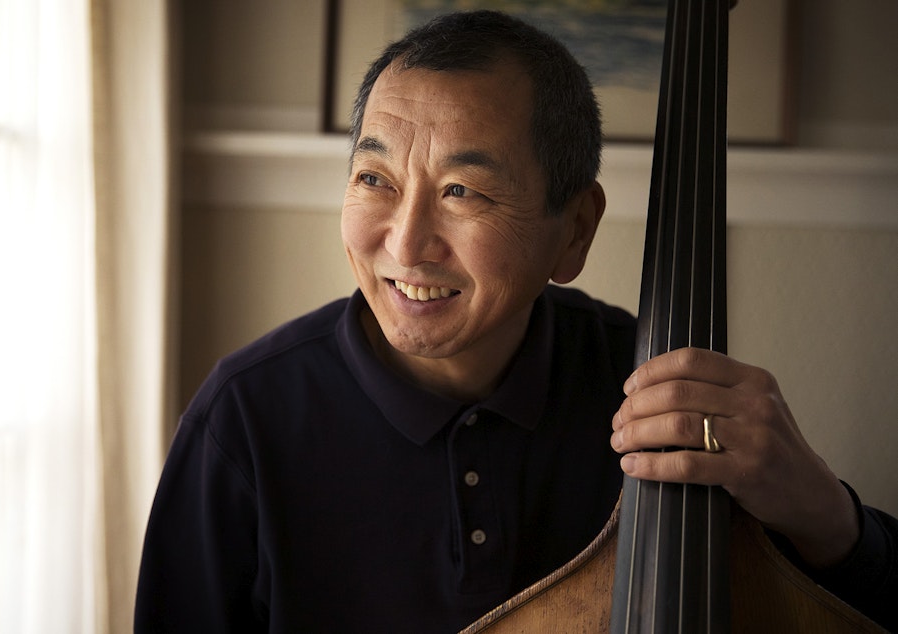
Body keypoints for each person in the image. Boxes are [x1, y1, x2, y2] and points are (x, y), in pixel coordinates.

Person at [134, 10, 896, 633]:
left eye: (463, 191)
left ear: (572, 231)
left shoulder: (658, 395)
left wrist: (826, 515)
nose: (405, 244)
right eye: (375, 179)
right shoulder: (244, 418)